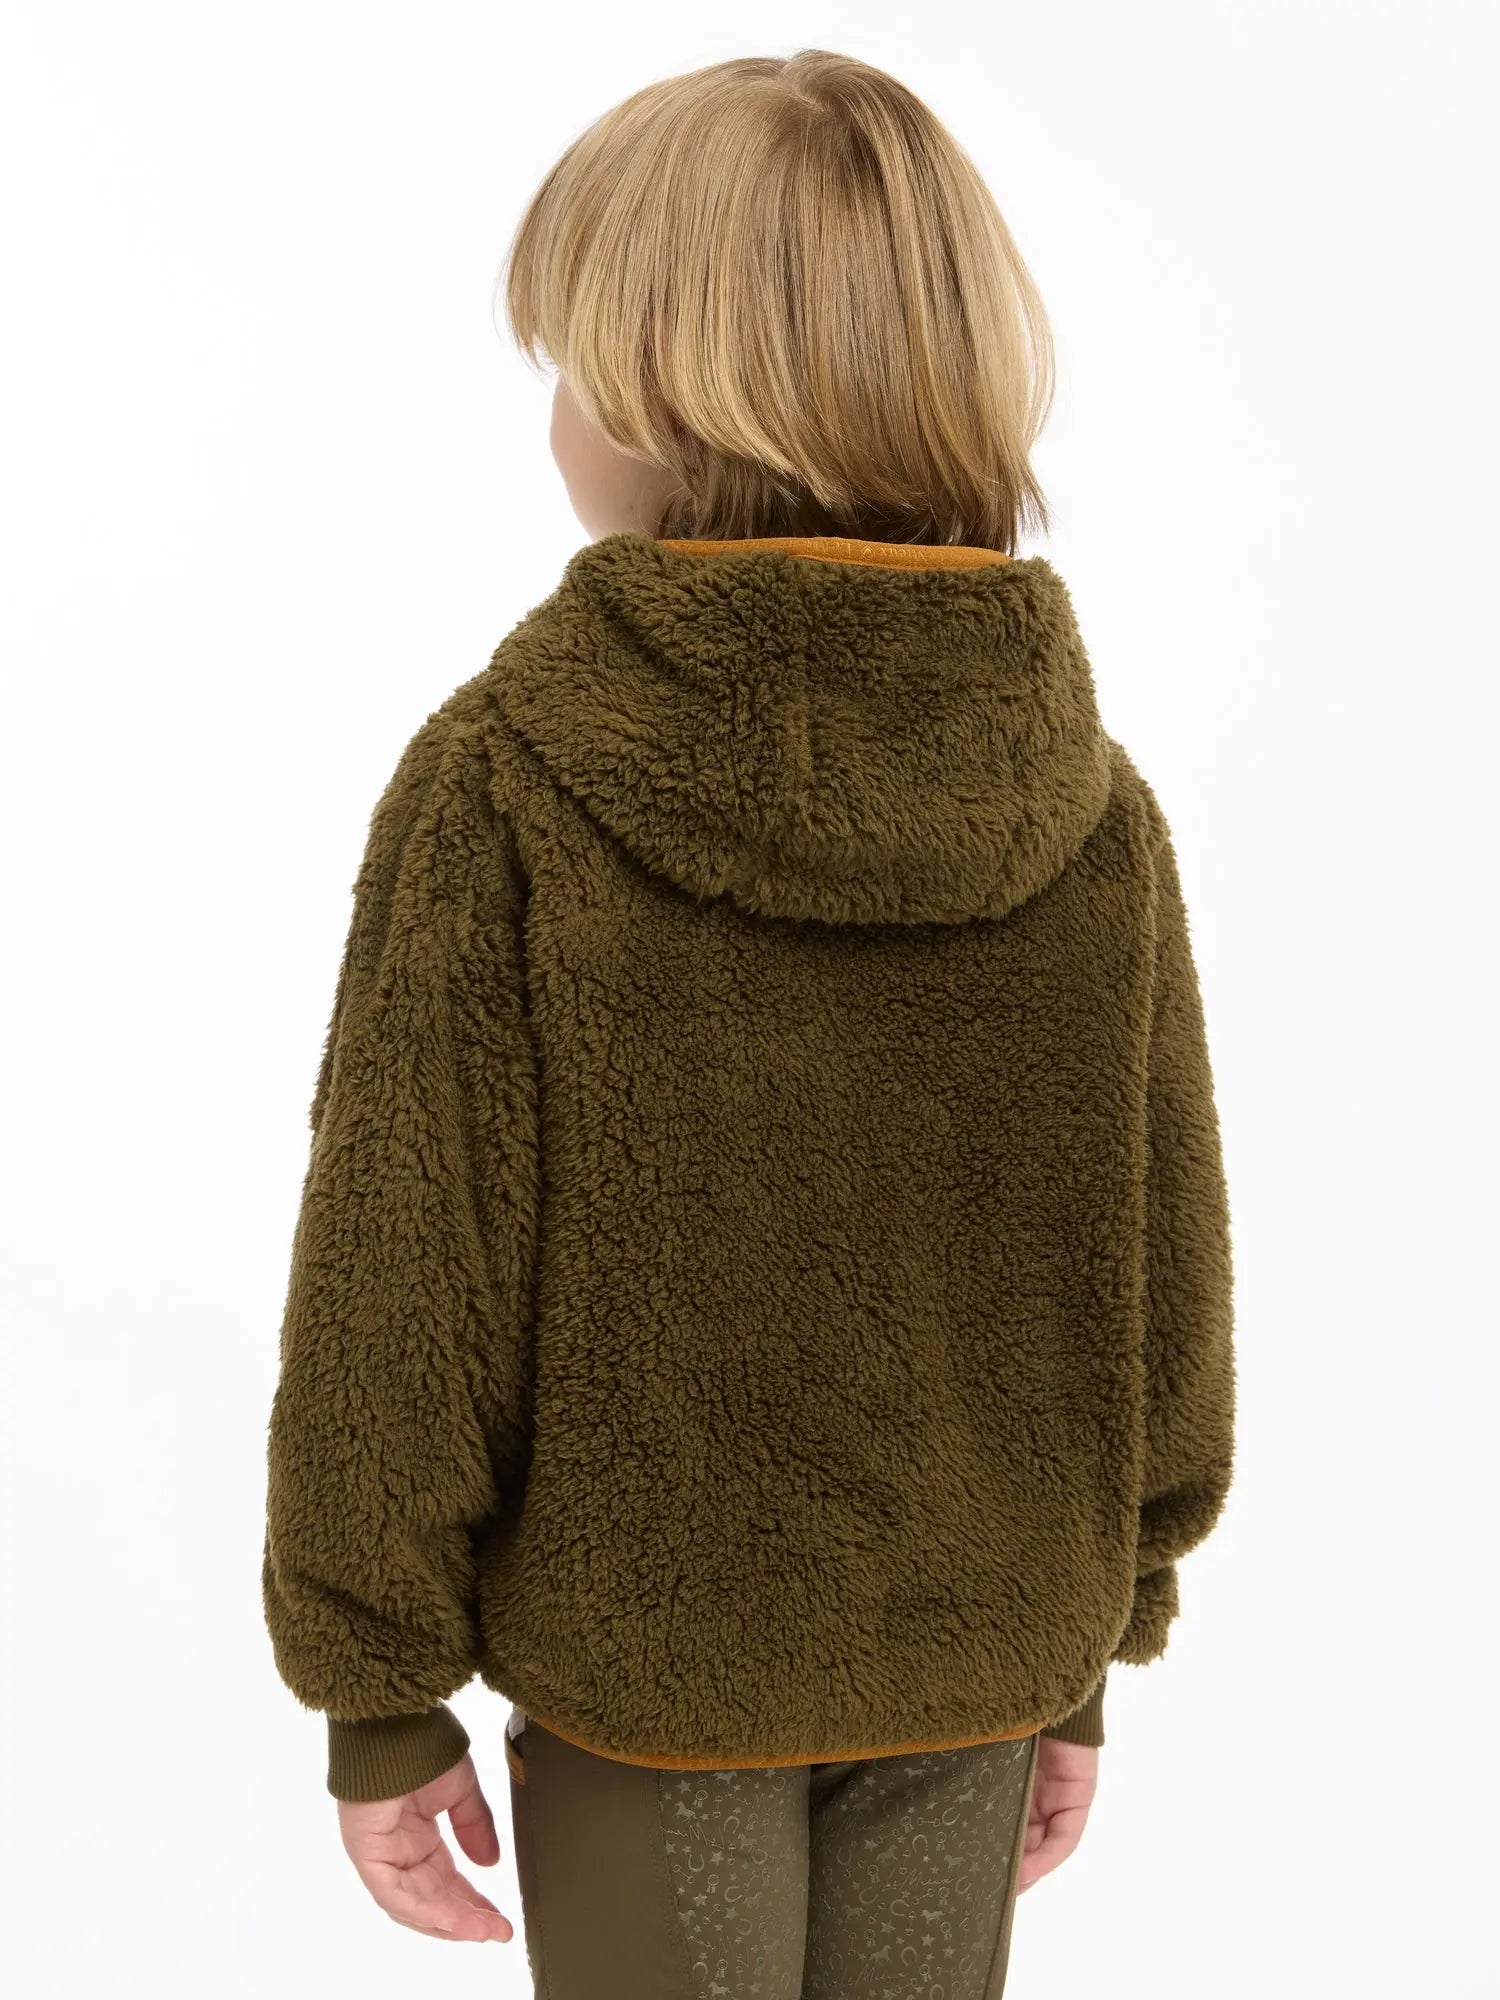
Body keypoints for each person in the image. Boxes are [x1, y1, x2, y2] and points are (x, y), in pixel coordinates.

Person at [261, 47, 1236, 1999]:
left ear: (660, 393)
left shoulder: (510, 782)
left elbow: (405, 1269)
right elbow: (1157, 1263)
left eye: (566, 364)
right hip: (980, 1658)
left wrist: (377, 1685)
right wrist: (1097, 1631)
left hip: (655, 1676)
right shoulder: (1086, 802)